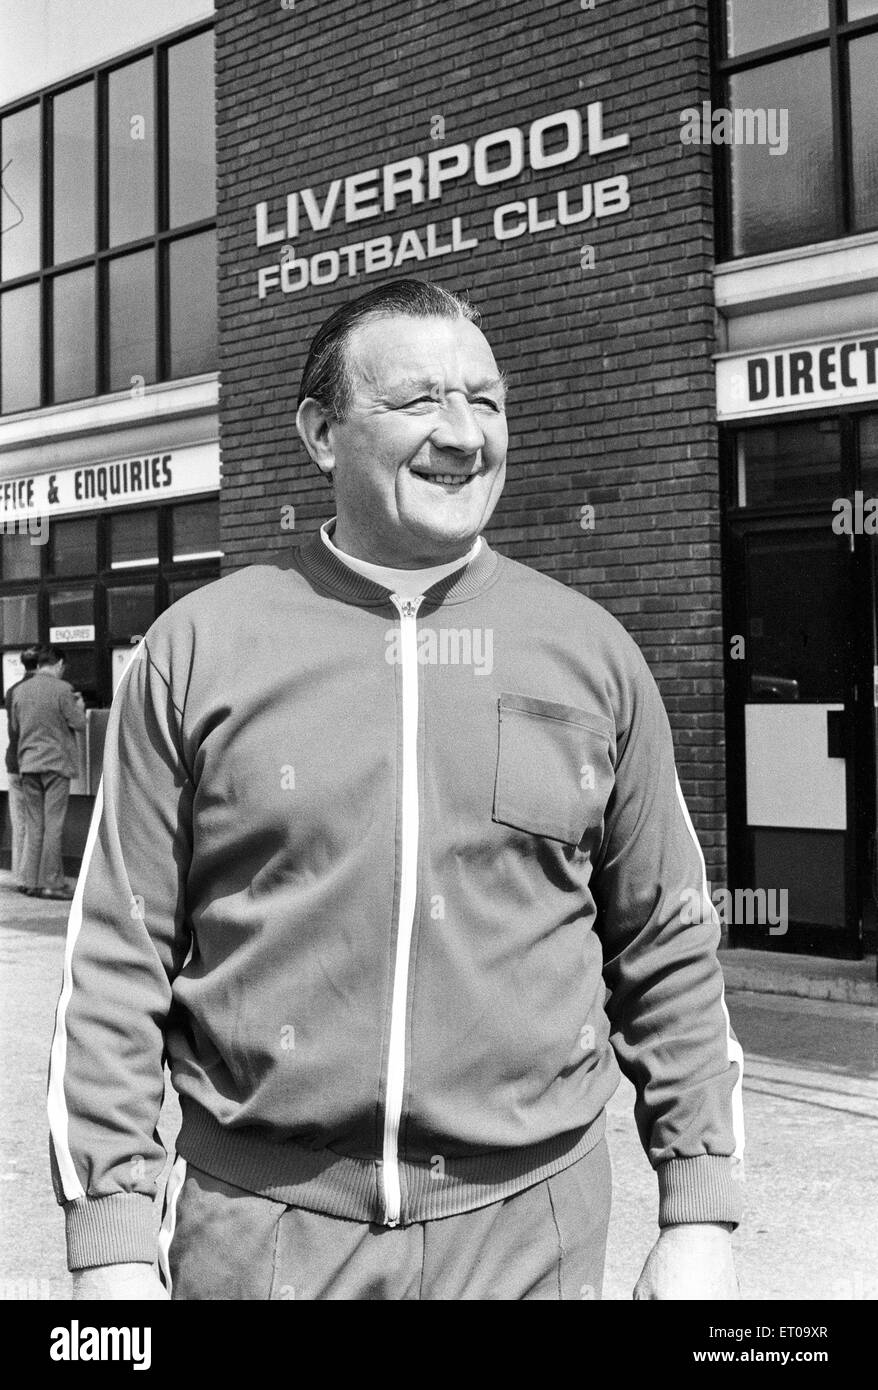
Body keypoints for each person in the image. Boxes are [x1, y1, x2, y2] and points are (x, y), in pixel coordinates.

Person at [49, 279, 744, 1302]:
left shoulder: (591, 654)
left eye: (487, 400)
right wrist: (108, 1240)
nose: (462, 435)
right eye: (419, 401)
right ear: (320, 431)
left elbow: (665, 942)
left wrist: (699, 1211)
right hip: (263, 1236)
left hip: (532, 1232)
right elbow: (116, 956)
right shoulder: (194, 651)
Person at [12, 645, 85, 901]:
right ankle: (52, 883)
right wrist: (80, 705)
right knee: (53, 825)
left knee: (35, 825)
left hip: (28, 765)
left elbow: (15, 726)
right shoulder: (63, 690)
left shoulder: (20, 690)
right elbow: (78, 723)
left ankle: (31, 882)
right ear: (58, 664)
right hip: (55, 764)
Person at [4, 645, 39, 890]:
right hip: (31, 762)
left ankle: (19, 875)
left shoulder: (12, 690)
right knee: (35, 822)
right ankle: (30, 878)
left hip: (13, 762)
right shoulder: (37, 689)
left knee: (20, 824)